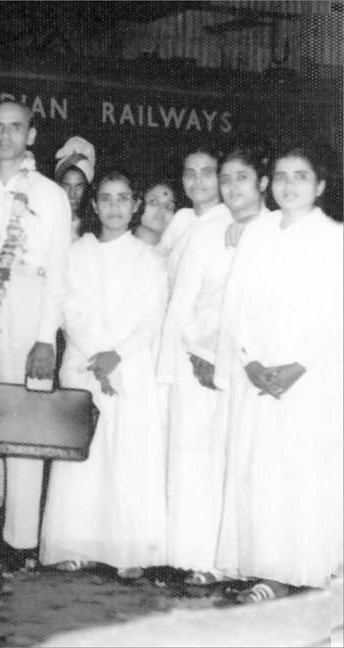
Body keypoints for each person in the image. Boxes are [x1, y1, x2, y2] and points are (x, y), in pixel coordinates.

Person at [214, 146, 342, 603]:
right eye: (282, 176)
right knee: (260, 473)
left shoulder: (334, 238)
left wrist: (299, 364)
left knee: (302, 474)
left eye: (301, 176)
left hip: (311, 376)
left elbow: (336, 314)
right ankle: (268, 571)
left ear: (320, 185)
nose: (289, 185)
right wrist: (250, 360)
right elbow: (237, 305)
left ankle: (305, 570)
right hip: (260, 374)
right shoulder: (257, 234)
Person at [0, 101, 72, 567]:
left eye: (16, 127)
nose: (6, 136)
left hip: (27, 321)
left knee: (24, 428)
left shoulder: (50, 195)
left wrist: (45, 337)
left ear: (31, 136)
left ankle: (20, 542)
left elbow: (59, 271)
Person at [40, 170, 168, 580]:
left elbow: (153, 316)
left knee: (127, 456)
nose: (115, 206)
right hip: (84, 364)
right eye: (107, 198)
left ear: (136, 205)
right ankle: (76, 545)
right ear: (94, 205)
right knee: (85, 458)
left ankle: (127, 549)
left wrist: (118, 355)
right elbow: (67, 307)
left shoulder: (149, 258)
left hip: (131, 367)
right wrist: (98, 354)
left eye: (123, 198)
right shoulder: (77, 253)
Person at [158, 141, 272, 588]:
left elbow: (246, 305)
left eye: (240, 178)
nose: (229, 187)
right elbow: (189, 298)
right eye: (226, 179)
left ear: (262, 182)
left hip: (241, 364)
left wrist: (215, 354)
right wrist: (196, 351)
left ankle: (237, 562)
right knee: (195, 461)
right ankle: (198, 556)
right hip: (195, 358)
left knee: (233, 463)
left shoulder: (268, 231)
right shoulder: (208, 229)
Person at [158, 146, 225, 285]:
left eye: (207, 173)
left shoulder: (229, 221)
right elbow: (159, 261)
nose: (197, 180)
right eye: (190, 174)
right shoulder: (181, 218)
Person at [54, 136, 96, 241]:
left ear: (87, 188)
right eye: (66, 186)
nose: (72, 194)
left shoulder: (96, 228)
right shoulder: (47, 222)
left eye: (79, 186)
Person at [134, 181, 176, 247]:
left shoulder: (180, 250)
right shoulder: (120, 247)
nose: (162, 210)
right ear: (137, 205)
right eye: (154, 202)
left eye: (168, 206)